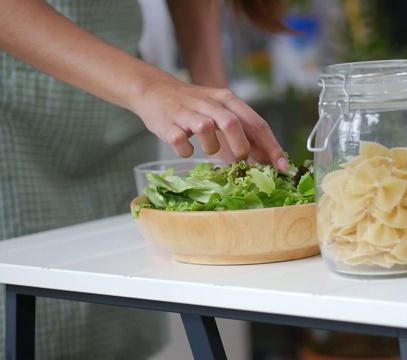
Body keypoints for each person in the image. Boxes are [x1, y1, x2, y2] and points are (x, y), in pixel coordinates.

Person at [0, 0, 289, 358]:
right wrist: (146, 87)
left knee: (111, 332)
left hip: (114, 109)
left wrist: (217, 104)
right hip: (16, 123)